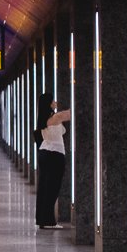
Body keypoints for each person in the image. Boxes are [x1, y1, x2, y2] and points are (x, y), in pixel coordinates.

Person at [35, 96, 71, 229]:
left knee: (44, 187)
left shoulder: (44, 118)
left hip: (45, 152)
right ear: (49, 103)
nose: (56, 102)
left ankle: (43, 219)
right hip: (55, 154)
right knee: (52, 188)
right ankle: (49, 221)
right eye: (53, 100)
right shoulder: (56, 117)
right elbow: (71, 113)